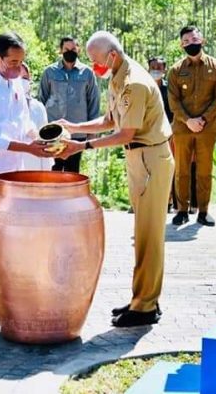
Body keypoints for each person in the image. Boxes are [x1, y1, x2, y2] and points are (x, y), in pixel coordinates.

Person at [57, 31, 174, 328]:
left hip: (150, 158)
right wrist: (75, 127)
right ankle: (144, 298)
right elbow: (110, 121)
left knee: (148, 236)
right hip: (139, 158)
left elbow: (125, 134)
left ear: (112, 54)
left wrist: (82, 146)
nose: (93, 66)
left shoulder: (133, 82)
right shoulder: (117, 76)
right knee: (142, 233)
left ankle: (145, 306)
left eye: (96, 60)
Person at [0, 31, 52, 320]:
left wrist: (40, 141)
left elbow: (25, 123)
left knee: (14, 237)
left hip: (17, 171)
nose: (19, 69)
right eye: (14, 62)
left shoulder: (15, 83)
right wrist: (28, 146)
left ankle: (10, 293)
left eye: (21, 63)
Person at [167, 25, 216, 226]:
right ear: (180, 45)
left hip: (207, 127)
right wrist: (188, 120)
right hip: (183, 128)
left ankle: (203, 211)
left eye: (194, 40)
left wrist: (203, 119)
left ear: (202, 40)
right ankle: (182, 210)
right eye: (186, 42)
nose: (190, 44)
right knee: (181, 169)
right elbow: (173, 101)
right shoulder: (176, 70)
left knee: (204, 170)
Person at [38, 36, 100, 173]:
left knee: (72, 173)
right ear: (60, 50)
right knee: (52, 171)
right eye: (66, 49)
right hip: (52, 133)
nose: (70, 52)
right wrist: (39, 128)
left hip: (77, 133)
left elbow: (93, 102)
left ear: (78, 50)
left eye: (73, 49)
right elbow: (41, 100)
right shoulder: (49, 72)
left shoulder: (87, 73)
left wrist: (92, 131)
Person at [149, 56, 180, 213]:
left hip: (169, 134)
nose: (156, 70)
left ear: (165, 70)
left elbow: (175, 110)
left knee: (169, 168)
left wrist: (171, 129)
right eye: (153, 67)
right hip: (148, 135)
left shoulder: (170, 89)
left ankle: (170, 202)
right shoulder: (144, 87)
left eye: (159, 67)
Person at [20, 63, 53, 171]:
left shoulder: (38, 107)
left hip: (34, 167)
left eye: (25, 78)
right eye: (17, 78)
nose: (21, 81)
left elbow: (45, 139)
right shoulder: (2, 106)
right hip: (11, 169)